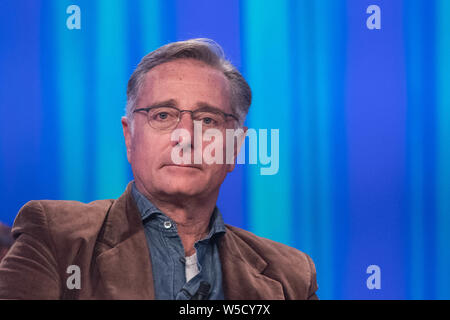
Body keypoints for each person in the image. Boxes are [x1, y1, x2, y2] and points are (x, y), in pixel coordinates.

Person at [0, 38, 318, 300]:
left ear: (235, 147)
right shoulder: (57, 239)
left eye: (208, 120)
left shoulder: (289, 275)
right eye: (163, 115)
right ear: (129, 137)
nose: (184, 136)